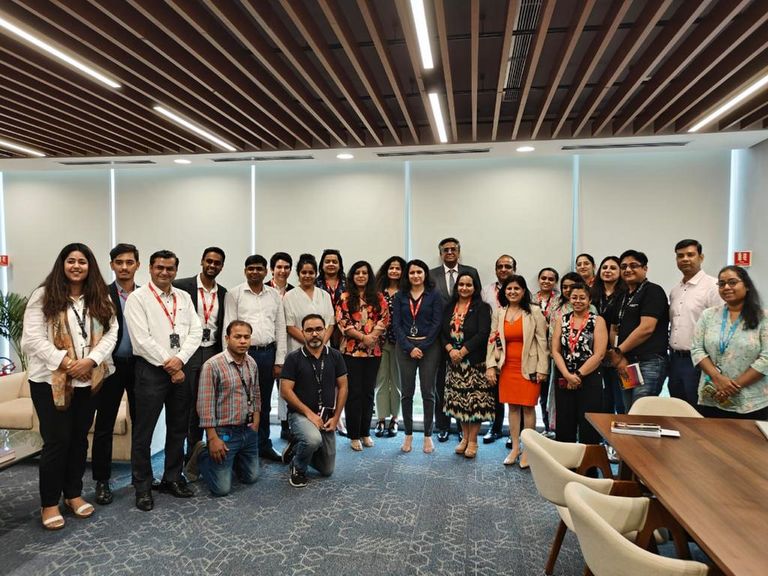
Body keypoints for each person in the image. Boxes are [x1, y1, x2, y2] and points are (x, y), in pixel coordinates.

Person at [21, 243, 118, 530]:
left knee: (78, 440)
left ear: (90, 266)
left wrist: (91, 361)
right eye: (71, 261)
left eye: (82, 261)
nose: (76, 266)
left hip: (88, 379)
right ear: (62, 264)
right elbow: (32, 339)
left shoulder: (99, 295)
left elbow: (112, 332)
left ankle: (73, 494)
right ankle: (49, 502)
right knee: (57, 441)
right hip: (50, 382)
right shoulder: (44, 295)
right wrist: (65, 363)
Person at [124, 250, 203, 511]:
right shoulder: (138, 298)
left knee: (178, 428)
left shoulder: (184, 297)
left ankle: (172, 477)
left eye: (170, 268)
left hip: (180, 369)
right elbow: (141, 340)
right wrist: (170, 364)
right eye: (159, 267)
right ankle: (143, 486)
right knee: (143, 432)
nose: (164, 272)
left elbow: (196, 331)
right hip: (151, 372)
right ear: (150, 268)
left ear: (176, 271)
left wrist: (179, 360)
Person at [222, 254, 287, 462]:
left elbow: (280, 328)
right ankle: (243, 447)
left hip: (268, 354)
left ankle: (263, 444)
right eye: (250, 268)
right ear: (245, 271)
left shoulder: (274, 295)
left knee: (264, 403)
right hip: (243, 355)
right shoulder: (234, 294)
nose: (255, 272)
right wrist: (230, 359)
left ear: (266, 271)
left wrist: (279, 360)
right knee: (241, 402)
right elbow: (228, 328)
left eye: (259, 268)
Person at [188, 321, 261, 496]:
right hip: (224, 432)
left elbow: (256, 393)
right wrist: (212, 437)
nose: (242, 341)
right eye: (237, 337)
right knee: (221, 489)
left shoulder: (251, 362)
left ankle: (232, 459)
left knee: (251, 478)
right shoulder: (212, 365)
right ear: (227, 338)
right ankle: (202, 453)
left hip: (247, 429)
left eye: (246, 337)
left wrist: (256, 421)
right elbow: (204, 405)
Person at [91, 243, 139, 506]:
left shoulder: (145, 295)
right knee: (104, 425)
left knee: (141, 423)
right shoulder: (101, 294)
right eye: (119, 262)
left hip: (140, 366)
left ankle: (141, 476)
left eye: (129, 262)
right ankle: (102, 480)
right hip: (111, 367)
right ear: (111, 265)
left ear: (137, 265)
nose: (124, 267)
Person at [486, 275, 548, 469]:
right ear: (504, 292)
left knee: (528, 408)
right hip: (507, 367)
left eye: (516, 288)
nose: (512, 292)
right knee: (512, 408)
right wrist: (490, 365)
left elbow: (542, 341)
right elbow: (492, 339)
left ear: (523, 291)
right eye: (509, 289)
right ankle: (515, 448)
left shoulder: (534, 311)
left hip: (530, 367)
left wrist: (542, 368)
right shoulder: (499, 312)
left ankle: (528, 450)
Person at [173, 247, 228, 463]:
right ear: (202, 261)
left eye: (217, 263)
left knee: (208, 401)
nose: (212, 265)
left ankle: (204, 452)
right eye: (209, 261)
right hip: (190, 351)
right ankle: (188, 457)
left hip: (213, 350)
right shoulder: (182, 286)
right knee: (188, 403)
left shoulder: (223, 293)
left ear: (222, 266)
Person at [280, 314, 348, 487]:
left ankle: (297, 447)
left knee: (327, 469)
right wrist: (309, 414)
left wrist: (336, 417)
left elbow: (343, 387)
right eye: (309, 330)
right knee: (312, 440)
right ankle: (298, 467)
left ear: (325, 331)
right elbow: (285, 391)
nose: (315, 334)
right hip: (300, 415)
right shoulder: (293, 358)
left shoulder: (335, 356)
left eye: (318, 329)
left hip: (326, 417)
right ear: (303, 333)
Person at [691, 266, 768, 419]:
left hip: (751, 400)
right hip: (712, 394)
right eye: (721, 284)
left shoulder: (763, 317)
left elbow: (766, 358)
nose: (726, 287)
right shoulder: (708, 315)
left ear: (746, 285)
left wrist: (731, 387)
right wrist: (717, 379)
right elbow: (697, 349)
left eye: (732, 282)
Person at [429, 237, 482, 443]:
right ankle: (442, 426)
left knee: (466, 387)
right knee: (441, 383)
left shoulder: (471, 271)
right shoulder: (431, 274)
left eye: (453, 249)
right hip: (441, 338)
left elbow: (476, 299)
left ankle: (463, 429)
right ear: (440, 253)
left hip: (467, 340)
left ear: (459, 252)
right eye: (446, 249)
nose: (450, 252)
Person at [605, 250, 669, 411]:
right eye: (624, 266)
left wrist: (618, 351)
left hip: (649, 362)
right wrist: (619, 357)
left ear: (645, 268)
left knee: (641, 410)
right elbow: (614, 328)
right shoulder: (622, 296)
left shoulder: (653, 291)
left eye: (633, 265)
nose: (628, 270)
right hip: (626, 363)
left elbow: (646, 328)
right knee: (629, 410)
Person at [282, 254, 335, 446]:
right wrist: (310, 340)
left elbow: (330, 323)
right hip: (299, 349)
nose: (307, 275)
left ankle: (322, 422)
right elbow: (290, 326)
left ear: (316, 274)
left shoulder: (324, 295)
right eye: (303, 272)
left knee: (321, 387)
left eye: (311, 272)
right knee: (300, 388)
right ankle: (296, 430)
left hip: (323, 348)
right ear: (298, 274)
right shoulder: (289, 296)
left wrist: (320, 342)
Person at [336, 261, 389, 451]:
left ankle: (365, 432)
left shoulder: (378, 297)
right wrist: (363, 337)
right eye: (357, 272)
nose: (361, 276)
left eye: (364, 273)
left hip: (373, 352)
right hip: (351, 352)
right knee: (354, 393)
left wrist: (372, 337)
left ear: (369, 276)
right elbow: (343, 322)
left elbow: (385, 318)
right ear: (352, 276)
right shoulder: (345, 297)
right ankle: (353, 435)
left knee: (368, 392)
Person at [393, 259, 443, 454]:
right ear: (407, 275)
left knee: (428, 392)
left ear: (425, 274)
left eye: (419, 272)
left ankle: (428, 435)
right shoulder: (400, 295)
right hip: (405, 348)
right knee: (407, 392)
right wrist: (409, 347)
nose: (415, 276)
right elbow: (396, 324)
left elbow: (437, 323)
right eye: (412, 272)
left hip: (429, 348)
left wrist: (422, 346)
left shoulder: (434, 294)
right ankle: (408, 434)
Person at [441, 272, 492, 458]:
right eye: (461, 284)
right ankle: (464, 438)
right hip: (454, 364)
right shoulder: (448, 307)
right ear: (456, 287)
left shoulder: (482, 308)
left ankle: (473, 440)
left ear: (475, 287)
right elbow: (442, 332)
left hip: (474, 363)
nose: (464, 288)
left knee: (475, 404)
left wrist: (462, 351)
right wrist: (450, 350)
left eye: (468, 285)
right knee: (459, 403)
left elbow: (483, 333)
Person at [551, 283, 608, 444]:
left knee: (588, 423)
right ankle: (566, 458)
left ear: (589, 300)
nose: (578, 301)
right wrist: (567, 375)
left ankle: (588, 460)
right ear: (569, 299)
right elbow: (555, 350)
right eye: (574, 297)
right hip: (564, 374)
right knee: (564, 422)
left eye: (582, 298)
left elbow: (599, 354)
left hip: (589, 375)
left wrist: (577, 375)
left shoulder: (597, 321)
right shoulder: (562, 320)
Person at [668, 239, 720, 406]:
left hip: (700, 361)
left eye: (690, 255)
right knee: (678, 408)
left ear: (701, 257)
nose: (685, 259)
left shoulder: (713, 286)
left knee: (698, 409)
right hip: (675, 360)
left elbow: (720, 325)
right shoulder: (675, 290)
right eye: (680, 256)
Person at [480, 255, 516, 444]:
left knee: (514, 390)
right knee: (495, 390)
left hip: (514, 345)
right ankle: (495, 428)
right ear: (495, 270)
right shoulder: (486, 290)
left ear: (514, 269)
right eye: (500, 266)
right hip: (493, 344)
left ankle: (514, 432)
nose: (503, 269)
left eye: (507, 266)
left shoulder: (519, 289)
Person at [373, 256, 406, 438]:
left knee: (398, 382)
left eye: (398, 268)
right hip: (380, 341)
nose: (394, 271)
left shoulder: (407, 291)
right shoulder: (377, 291)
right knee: (381, 381)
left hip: (401, 342)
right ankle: (381, 418)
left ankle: (395, 419)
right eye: (391, 268)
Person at [591, 256, 626, 415]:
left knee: (621, 399)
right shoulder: (592, 294)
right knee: (603, 400)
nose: (607, 271)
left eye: (613, 268)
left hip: (618, 352)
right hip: (596, 352)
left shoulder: (625, 294)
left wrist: (616, 350)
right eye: (604, 267)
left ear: (620, 272)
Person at [267, 251, 294, 439]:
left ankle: (286, 425)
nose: (282, 271)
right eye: (279, 267)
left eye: (286, 267)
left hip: (289, 343)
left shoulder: (294, 291)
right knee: (266, 388)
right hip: (268, 343)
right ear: (272, 269)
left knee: (286, 385)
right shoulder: (263, 289)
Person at [533, 267, 561, 438]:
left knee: (550, 393)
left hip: (552, 352)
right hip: (534, 351)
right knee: (536, 393)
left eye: (551, 279)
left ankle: (553, 427)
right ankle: (545, 426)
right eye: (543, 278)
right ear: (539, 280)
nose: (546, 281)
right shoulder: (530, 298)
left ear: (555, 282)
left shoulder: (560, 300)